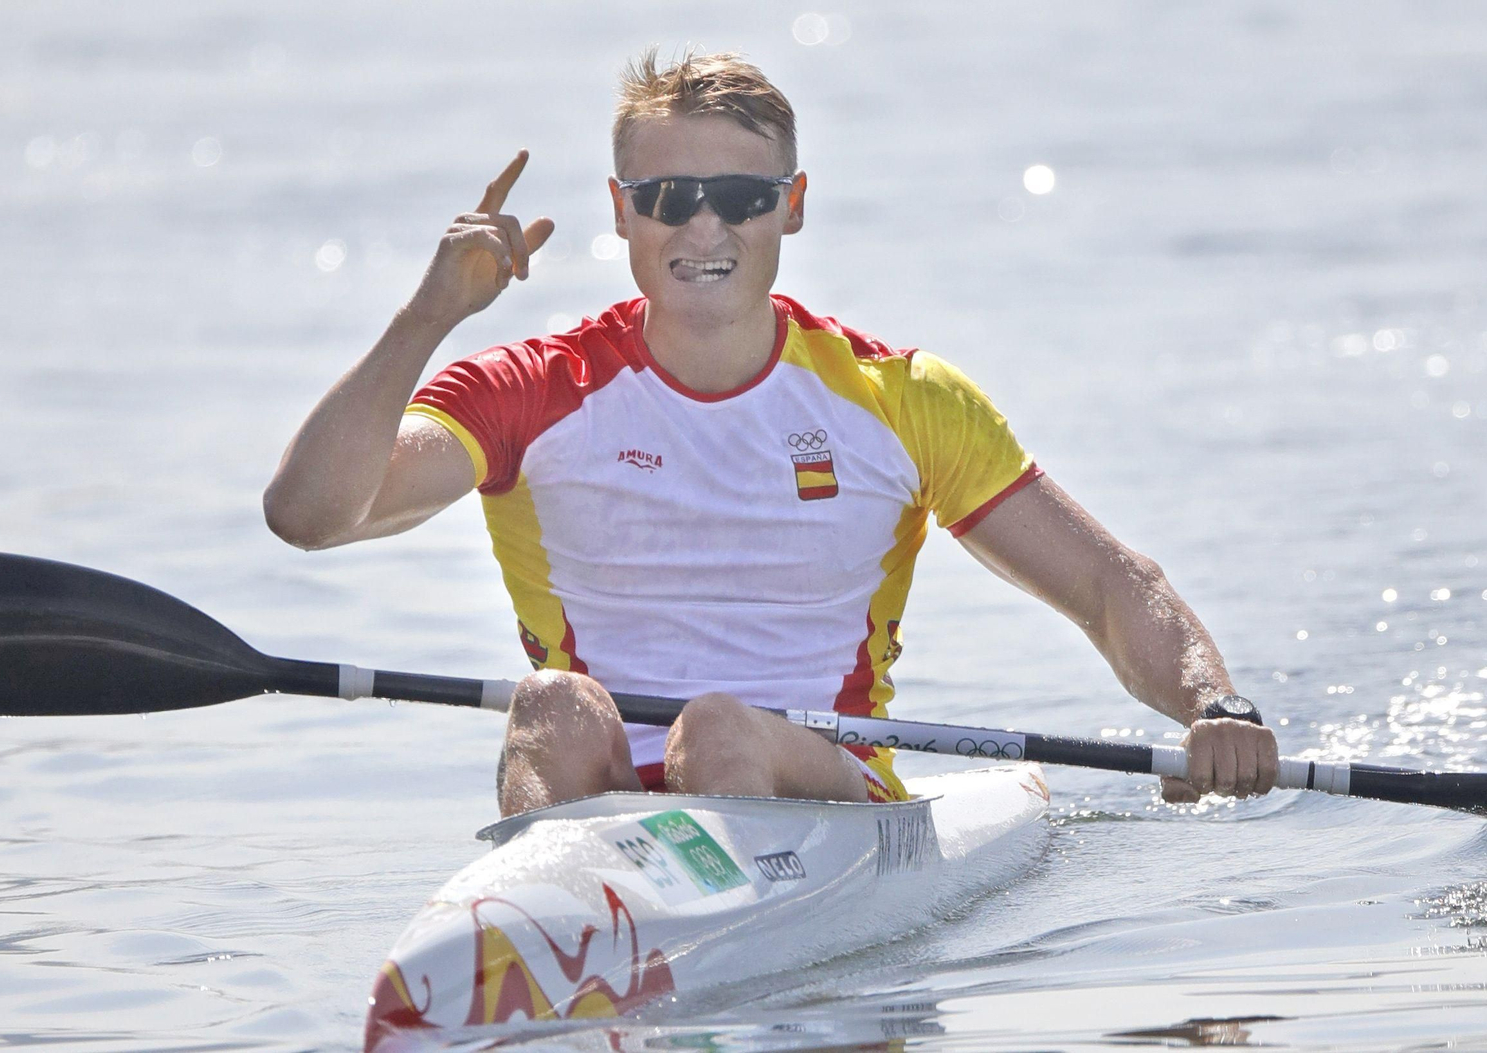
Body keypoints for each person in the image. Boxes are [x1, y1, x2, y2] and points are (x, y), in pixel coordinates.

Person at [263, 50, 1278, 818]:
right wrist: (427, 318)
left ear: (791, 208)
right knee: (555, 709)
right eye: (668, 200)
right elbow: (310, 516)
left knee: (718, 730)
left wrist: (1212, 706)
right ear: (621, 213)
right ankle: (562, 954)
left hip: (824, 800)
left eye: (741, 200)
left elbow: (1109, 586)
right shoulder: (531, 390)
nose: (703, 231)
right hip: (605, 809)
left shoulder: (899, 400)